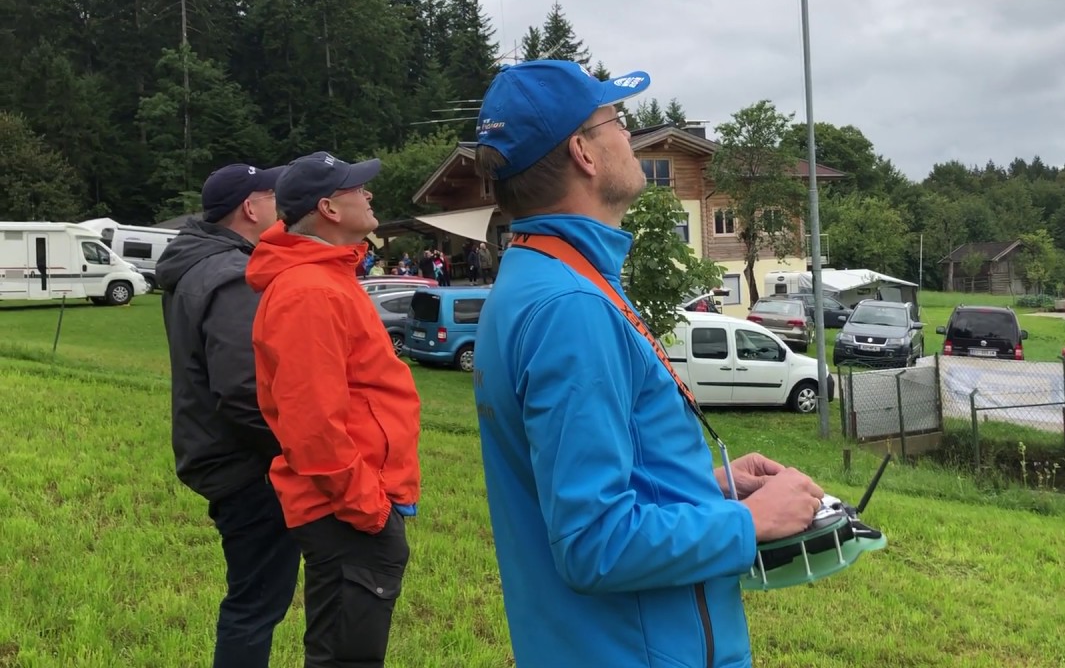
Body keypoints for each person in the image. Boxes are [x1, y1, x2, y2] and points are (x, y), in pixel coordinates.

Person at [470, 59, 826, 667]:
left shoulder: (544, 275)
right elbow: (592, 542)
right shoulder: (570, 306)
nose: (629, 139)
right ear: (583, 152)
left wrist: (694, 485)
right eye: (617, 121)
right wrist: (749, 523)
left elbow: (568, 476)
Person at [245, 151, 422, 667]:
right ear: (328, 208)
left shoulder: (326, 278)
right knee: (346, 659)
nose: (369, 194)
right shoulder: (308, 291)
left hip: (353, 504)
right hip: (346, 508)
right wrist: (368, 507)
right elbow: (311, 426)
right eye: (357, 188)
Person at [154, 162, 300, 668]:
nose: (281, 207)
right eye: (273, 196)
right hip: (247, 466)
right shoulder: (234, 274)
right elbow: (243, 390)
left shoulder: (195, 264)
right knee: (256, 605)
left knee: (251, 599)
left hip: (215, 454)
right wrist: (293, 454)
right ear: (251, 208)